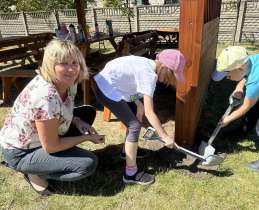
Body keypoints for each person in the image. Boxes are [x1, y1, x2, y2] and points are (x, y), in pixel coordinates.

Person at [0, 39, 105, 195]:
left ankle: (49, 161)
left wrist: (77, 121)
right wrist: (87, 138)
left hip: (41, 137)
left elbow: (62, 110)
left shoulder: (67, 83)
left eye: (75, 62)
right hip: (21, 152)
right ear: (50, 64)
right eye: (63, 63)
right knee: (87, 164)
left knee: (86, 113)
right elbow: (51, 146)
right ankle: (34, 172)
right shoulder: (45, 97)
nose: (72, 69)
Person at [94, 49, 186, 185]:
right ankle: (130, 173)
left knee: (134, 118)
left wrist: (138, 103)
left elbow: (129, 83)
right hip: (106, 89)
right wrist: (165, 136)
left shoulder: (148, 64)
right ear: (164, 68)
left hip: (114, 86)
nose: (168, 80)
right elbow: (150, 113)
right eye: (171, 75)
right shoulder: (149, 76)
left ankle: (126, 152)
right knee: (134, 125)